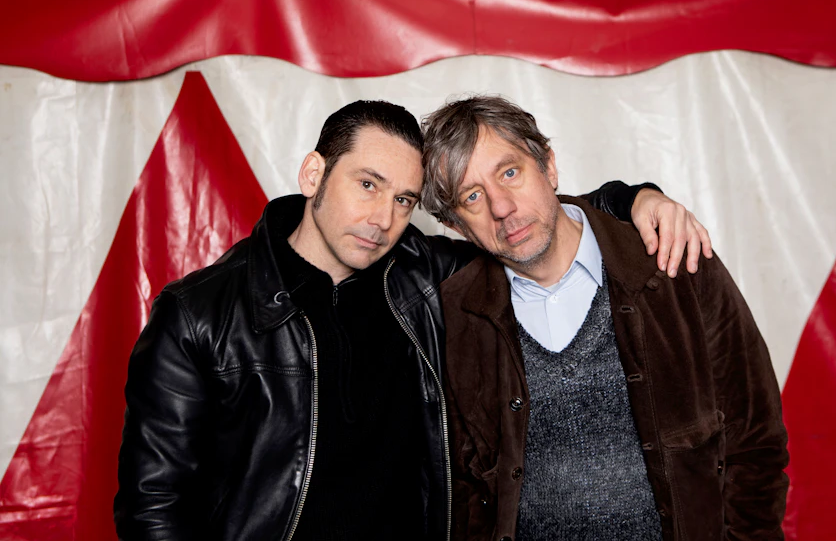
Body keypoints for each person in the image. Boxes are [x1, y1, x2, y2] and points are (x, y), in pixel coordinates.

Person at [114, 99, 711, 541]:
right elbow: (153, 507)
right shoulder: (198, 314)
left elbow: (524, 223)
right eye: (367, 184)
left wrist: (633, 199)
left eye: (403, 199)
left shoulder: (422, 279)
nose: (383, 218)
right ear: (314, 174)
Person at [420, 96, 789, 541]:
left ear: (549, 166)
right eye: (472, 196)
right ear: (456, 225)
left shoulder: (671, 260)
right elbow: (463, 488)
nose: (501, 207)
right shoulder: (453, 317)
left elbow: (755, 440)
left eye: (510, 172)